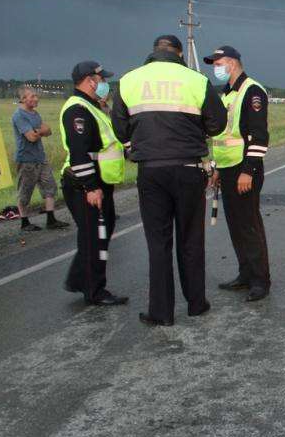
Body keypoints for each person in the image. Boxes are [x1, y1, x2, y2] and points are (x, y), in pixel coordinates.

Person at [110, 35, 228, 326]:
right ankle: (196, 303)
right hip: (188, 169)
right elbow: (218, 124)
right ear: (178, 53)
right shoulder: (196, 80)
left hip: (150, 171)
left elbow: (121, 131)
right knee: (190, 238)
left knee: (158, 242)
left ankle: (161, 312)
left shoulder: (129, 81)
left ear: (154, 52)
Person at [203, 45, 271, 302]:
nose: (215, 68)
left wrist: (249, 171)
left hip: (245, 169)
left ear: (232, 63)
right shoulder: (227, 92)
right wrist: (217, 169)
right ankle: (245, 274)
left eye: (218, 64)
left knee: (249, 226)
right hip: (228, 168)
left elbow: (258, 135)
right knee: (235, 226)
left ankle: (260, 281)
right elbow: (222, 136)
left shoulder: (252, 90)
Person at [58, 61, 128, 306]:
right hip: (84, 184)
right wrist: (90, 186)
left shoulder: (92, 106)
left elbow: (109, 143)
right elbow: (79, 152)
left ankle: (79, 279)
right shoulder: (77, 109)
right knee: (94, 238)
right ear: (90, 80)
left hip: (99, 181)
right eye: (101, 80)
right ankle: (94, 291)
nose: (104, 84)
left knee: (100, 232)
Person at [11, 86, 67, 231]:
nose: (36, 99)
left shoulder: (35, 114)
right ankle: (24, 222)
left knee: (50, 187)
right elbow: (31, 137)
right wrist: (40, 131)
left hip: (40, 158)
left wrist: (38, 131)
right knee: (25, 191)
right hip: (26, 159)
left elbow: (48, 130)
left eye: (36, 96)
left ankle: (51, 219)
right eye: (33, 96)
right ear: (23, 99)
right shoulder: (19, 115)